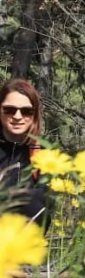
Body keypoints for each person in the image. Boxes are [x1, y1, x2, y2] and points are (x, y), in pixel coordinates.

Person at [0, 78, 47, 225]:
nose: (17, 116)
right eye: (9, 109)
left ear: (34, 115)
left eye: (26, 111)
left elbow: (42, 212)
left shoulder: (43, 157)